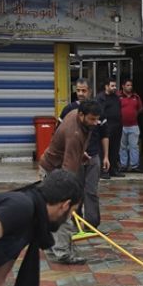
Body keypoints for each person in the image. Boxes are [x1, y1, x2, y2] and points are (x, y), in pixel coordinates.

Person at [39, 101, 100, 263]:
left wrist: (81, 154)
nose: (95, 123)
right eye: (92, 119)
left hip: (55, 165)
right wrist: (71, 196)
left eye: (97, 119)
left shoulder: (75, 115)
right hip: (54, 170)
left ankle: (52, 247)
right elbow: (68, 171)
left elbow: (71, 150)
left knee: (54, 211)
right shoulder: (75, 134)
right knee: (63, 211)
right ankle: (63, 253)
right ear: (82, 115)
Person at [83, 101, 110, 229]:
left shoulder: (100, 114)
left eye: (84, 90)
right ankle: (74, 223)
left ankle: (91, 224)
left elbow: (105, 135)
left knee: (91, 190)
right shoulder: (72, 113)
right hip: (76, 157)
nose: (81, 93)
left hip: (93, 156)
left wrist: (105, 156)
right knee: (74, 190)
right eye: (78, 90)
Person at [95, 78, 124, 178]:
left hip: (117, 127)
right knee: (104, 150)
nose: (114, 88)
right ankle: (104, 171)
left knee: (115, 149)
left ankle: (113, 169)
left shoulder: (116, 98)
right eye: (112, 86)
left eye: (115, 86)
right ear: (106, 86)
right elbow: (99, 112)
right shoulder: (100, 98)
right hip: (106, 127)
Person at [118, 79, 143, 171]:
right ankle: (123, 165)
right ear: (123, 86)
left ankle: (134, 166)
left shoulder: (136, 97)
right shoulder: (118, 96)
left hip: (133, 125)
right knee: (122, 146)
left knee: (134, 146)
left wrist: (133, 114)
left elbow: (140, 109)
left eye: (131, 85)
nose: (130, 87)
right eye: (128, 85)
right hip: (122, 126)